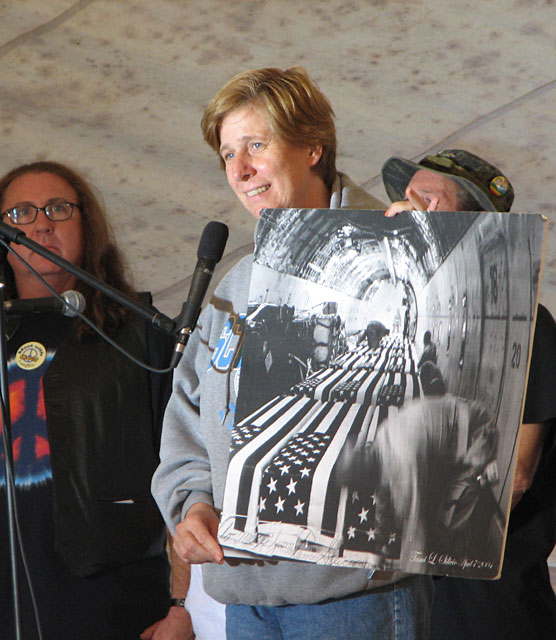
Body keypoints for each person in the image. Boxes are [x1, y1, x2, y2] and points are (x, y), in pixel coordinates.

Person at [152, 67, 433, 640]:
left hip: (352, 597)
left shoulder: (401, 247)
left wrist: (430, 256)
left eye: (255, 145)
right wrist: (193, 504)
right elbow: (188, 414)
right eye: (228, 154)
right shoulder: (235, 284)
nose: (239, 170)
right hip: (246, 598)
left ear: (312, 147)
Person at [0, 161, 193, 640]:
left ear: (86, 223)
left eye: (58, 209)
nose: (41, 224)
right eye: (20, 213)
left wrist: (185, 605)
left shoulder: (139, 332)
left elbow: (190, 471)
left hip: (112, 601)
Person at [381, 149, 556, 639]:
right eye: (406, 195)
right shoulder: (399, 323)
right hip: (403, 598)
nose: (408, 204)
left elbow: (515, 477)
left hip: (484, 607)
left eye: (428, 198)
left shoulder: (524, 323)